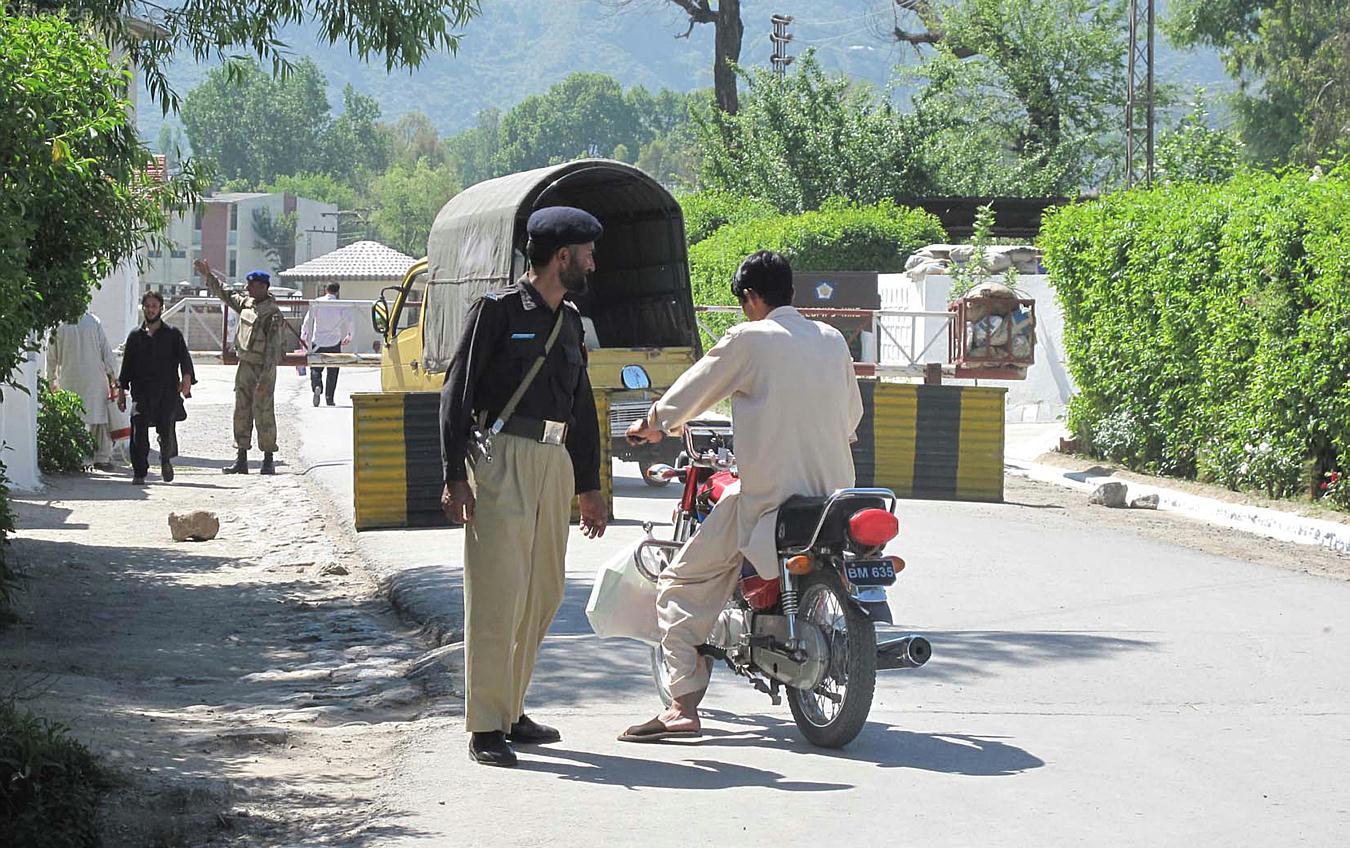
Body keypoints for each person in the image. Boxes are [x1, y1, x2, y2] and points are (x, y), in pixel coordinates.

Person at [619, 250, 863, 742]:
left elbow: (698, 386)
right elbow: (852, 418)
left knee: (678, 585)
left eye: (744, 302)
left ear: (752, 298)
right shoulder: (832, 340)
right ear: (791, 292)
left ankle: (682, 705)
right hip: (835, 498)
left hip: (770, 499)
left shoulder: (751, 339)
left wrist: (653, 423)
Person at [440, 206, 610, 768]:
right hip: (503, 457)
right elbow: (456, 393)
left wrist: (590, 485)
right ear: (562, 257)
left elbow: (581, 407)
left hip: (553, 463)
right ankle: (486, 725)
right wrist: (453, 477)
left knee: (542, 594)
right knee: (497, 595)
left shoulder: (570, 320)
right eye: (586, 252)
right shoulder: (496, 311)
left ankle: (512, 707)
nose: (593, 261)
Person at [193, 260, 286, 475]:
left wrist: (264, 379)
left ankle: (268, 459)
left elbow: (273, 351)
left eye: (252, 285)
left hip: (263, 368)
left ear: (263, 287)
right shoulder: (247, 304)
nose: (248, 289)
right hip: (245, 364)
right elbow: (225, 294)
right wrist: (209, 276)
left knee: (264, 412)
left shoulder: (272, 314)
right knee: (241, 411)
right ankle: (241, 458)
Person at [117, 292, 196, 484]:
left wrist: (186, 379)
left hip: (167, 392)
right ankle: (139, 472)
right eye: (148, 306)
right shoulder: (135, 336)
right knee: (138, 433)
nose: (151, 309)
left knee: (167, 432)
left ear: (161, 309)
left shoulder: (173, 334)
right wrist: (121, 391)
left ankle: (165, 459)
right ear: (143, 308)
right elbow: (126, 366)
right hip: (141, 392)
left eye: (155, 306)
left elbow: (185, 360)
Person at [47, 311, 120, 470]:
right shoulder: (93, 321)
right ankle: (101, 457)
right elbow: (106, 351)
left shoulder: (58, 325)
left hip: (70, 378)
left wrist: (51, 379)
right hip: (95, 379)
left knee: (73, 420)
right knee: (100, 420)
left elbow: (51, 356)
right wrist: (114, 376)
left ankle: (76, 458)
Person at [300, 281, 354, 407]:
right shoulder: (341, 305)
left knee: (315, 368)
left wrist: (304, 335)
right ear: (337, 291)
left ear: (326, 290)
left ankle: (317, 386)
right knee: (333, 371)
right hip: (334, 342)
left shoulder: (317, 302)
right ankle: (329, 398)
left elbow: (308, 320)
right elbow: (350, 321)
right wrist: (350, 335)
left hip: (318, 341)